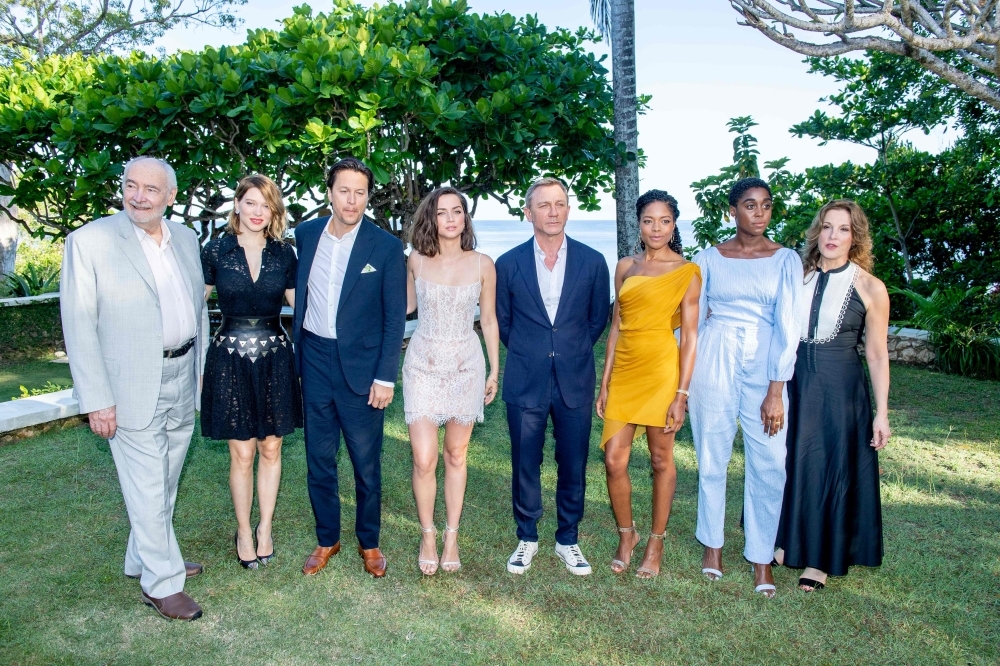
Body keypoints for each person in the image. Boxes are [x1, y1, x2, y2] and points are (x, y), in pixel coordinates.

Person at [61, 157, 209, 620]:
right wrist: (97, 399)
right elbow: (79, 325)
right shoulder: (89, 242)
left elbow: (197, 307)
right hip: (127, 386)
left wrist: (201, 370)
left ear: (171, 196)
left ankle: (145, 554)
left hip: (182, 373)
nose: (138, 196)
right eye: (131, 185)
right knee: (147, 482)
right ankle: (162, 582)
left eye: (151, 189)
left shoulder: (186, 238)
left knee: (166, 476)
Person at [292, 157, 406, 579]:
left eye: (360, 192)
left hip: (362, 368)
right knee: (319, 458)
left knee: (365, 462)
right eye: (344, 191)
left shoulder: (386, 246)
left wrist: (385, 376)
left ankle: (369, 542)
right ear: (330, 191)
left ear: (368, 195)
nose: (352, 200)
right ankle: (328, 539)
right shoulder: (305, 235)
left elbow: (395, 317)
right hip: (314, 360)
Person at [689, 177, 801, 598]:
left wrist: (776, 388)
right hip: (714, 358)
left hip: (764, 362)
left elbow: (789, 327)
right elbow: (695, 321)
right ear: (732, 210)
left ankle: (760, 556)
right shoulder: (709, 258)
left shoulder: (785, 259)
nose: (759, 213)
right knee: (712, 454)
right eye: (750, 205)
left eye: (766, 206)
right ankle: (713, 546)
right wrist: (684, 379)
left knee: (770, 460)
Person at [495, 177, 611, 576]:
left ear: (568, 208)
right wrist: (534, 350)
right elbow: (504, 323)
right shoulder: (507, 264)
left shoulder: (593, 261)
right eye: (544, 205)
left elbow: (597, 319)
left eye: (560, 203)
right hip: (525, 376)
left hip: (575, 377)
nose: (553, 211)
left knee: (573, 461)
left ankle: (568, 539)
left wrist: (569, 349)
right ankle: (527, 536)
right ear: (528, 213)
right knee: (525, 460)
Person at [774, 199, 891, 591]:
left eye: (843, 229)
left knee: (830, 466)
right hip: (793, 380)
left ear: (855, 236)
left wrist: (882, 413)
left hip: (840, 389)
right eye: (827, 227)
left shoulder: (871, 287)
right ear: (817, 231)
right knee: (786, 459)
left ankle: (821, 559)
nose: (833, 236)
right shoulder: (796, 275)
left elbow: (875, 353)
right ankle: (785, 540)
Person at [597, 190, 701, 578]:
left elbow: (689, 337)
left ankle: (655, 542)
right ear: (637, 224)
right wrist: (605, 383)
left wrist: (681, 394)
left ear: (674, 225)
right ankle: (628, 534)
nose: (656, 228)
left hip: (661, 370)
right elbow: (615, 328)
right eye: (648, 220)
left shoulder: (687, 271)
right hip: (625, 370)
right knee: (613, 459)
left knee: (661, 459)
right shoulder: (626, 266)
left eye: (664, 221)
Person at [200, 174, 302, 570]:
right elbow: (190, 300)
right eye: (252, 203)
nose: (259, 212)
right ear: (238, 204)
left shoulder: (284, 254)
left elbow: (303, 304)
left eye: (267, 205)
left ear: (274, 210)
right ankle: (243, 529)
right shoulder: (216, 250)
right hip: (229, 358)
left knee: (271, 447)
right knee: (242, 452)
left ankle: (265, 527)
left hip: (276, 356)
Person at [402, 187, 500, 575]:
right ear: (432, 219)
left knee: (456, 455)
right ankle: (427, 533)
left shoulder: (483, 264)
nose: (450, 218)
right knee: (424, 459)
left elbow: (489, 320)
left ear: (465, 218)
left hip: (465, 365)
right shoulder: (416, 261)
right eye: (442, 213)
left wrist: (494, 369)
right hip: (423, 364)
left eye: (457, 211)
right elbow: (404, 307)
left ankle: (451, 536)